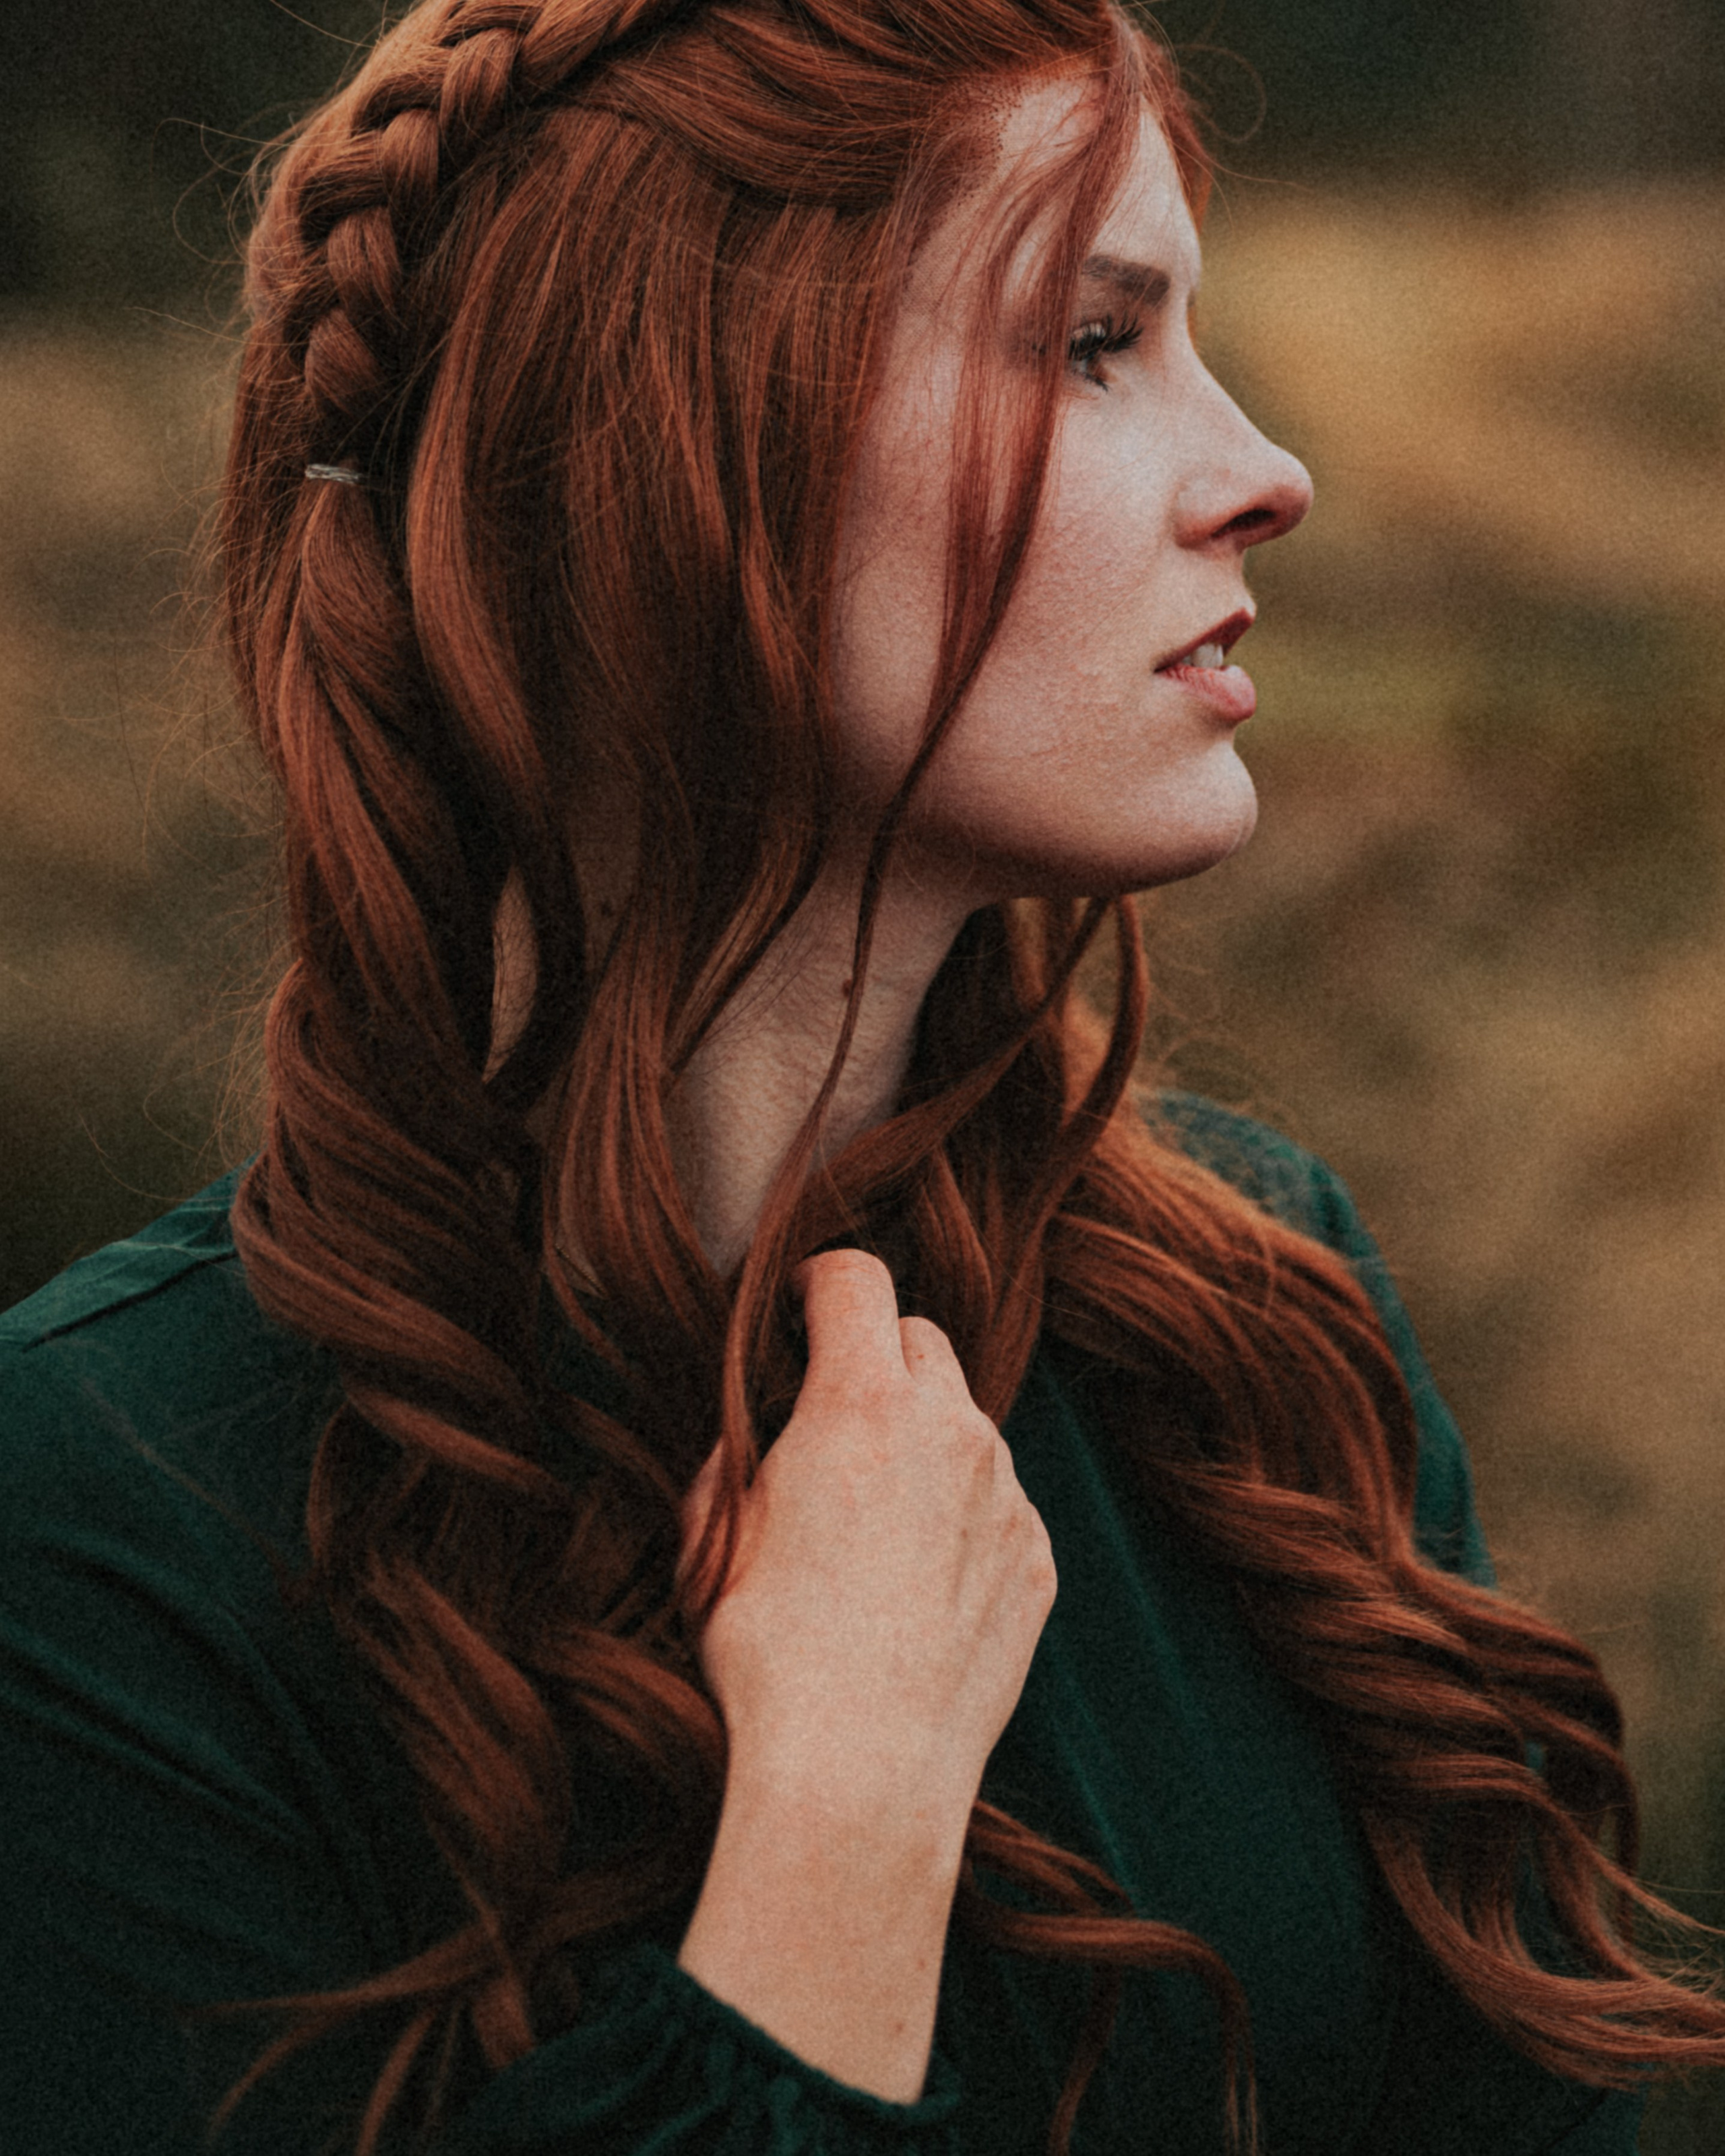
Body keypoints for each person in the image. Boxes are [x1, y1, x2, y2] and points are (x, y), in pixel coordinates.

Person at [3, 0, 1724, 2150]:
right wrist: (836, 1831)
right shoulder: (109, 1529)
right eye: (1098, 344)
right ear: (688, 453)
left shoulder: (1264, 1328)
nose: (1268, 472)